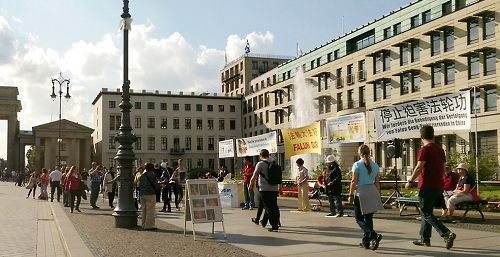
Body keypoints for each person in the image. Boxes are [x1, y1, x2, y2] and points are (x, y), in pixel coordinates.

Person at [405, 125, 456, 250]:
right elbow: (444, 168)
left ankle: (446, 234)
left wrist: (410, 180)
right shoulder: (440, 150)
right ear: (433, 135)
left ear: (421, 137)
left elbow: (419, 167)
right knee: (426, 212)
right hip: (438, 185)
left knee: (426, 212)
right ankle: (424, 239)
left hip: (427, 185)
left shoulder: (425, 150)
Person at [348, 144, 383, 250]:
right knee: (369, 218)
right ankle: (366, 242)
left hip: (361, 192)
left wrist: (350, 194)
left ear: (359, 153)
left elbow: (354, 181)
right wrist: (378, 195)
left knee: (359, 218)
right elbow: (377, 182)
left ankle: (373, 235)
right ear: (369, 152)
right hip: (372, 191)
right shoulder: (376, 165)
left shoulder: (357, 164)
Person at [249, 149, 280, 232]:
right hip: (274, 188)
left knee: (268, 208)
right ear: (268, 155)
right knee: (273, 206)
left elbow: (254, 176)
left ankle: (274, 226)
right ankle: (266, 222)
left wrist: (250, 186)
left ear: (260, 155)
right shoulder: (274, 162)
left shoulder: (260, 164)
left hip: (264, 189)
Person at [140, 162, 160, 230]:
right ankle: (149, 225)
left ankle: (143, 224)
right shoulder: (152, 174)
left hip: (142, 194)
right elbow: (155, 184)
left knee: (144, 210)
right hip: (150, 193)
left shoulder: (142, 175)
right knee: (150, 210)